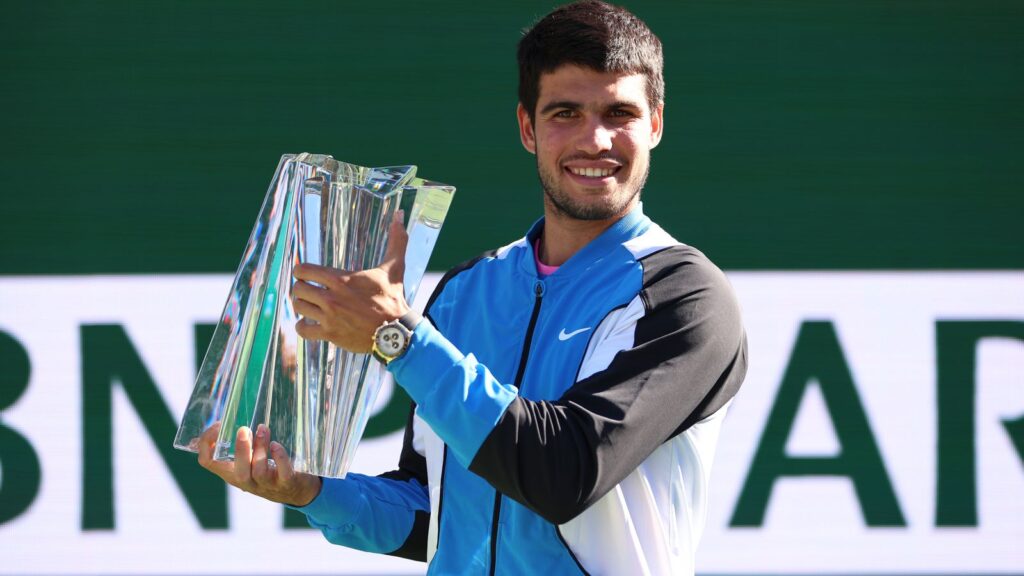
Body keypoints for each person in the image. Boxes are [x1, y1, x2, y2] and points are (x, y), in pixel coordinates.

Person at [198, 1, 747, 574]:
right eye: (566, 113)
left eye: (619, 113)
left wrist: (399, 339)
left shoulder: (686, 296)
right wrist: (313, 490)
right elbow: (433, 510)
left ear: (655, 124)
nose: (596, 140)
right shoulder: (465, 291)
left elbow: (565, 473)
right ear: (527, 128)